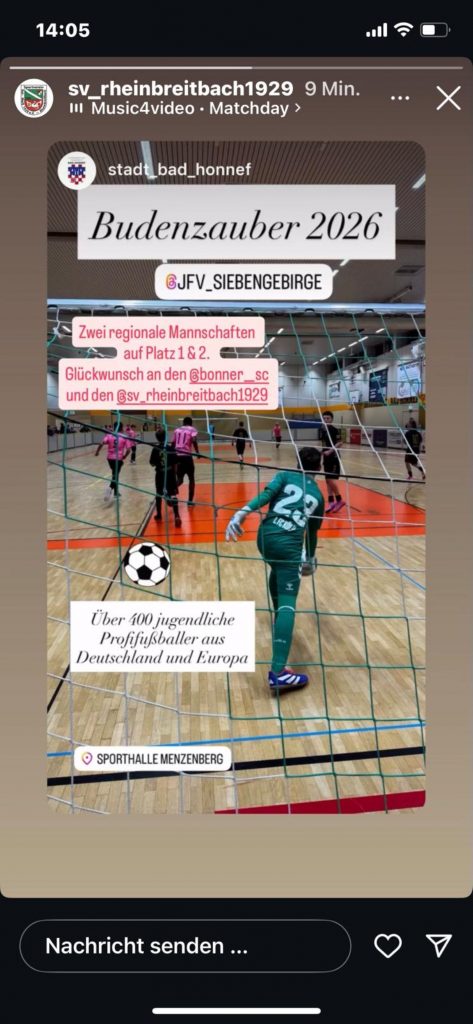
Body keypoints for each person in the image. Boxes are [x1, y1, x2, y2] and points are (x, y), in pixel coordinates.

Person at [226, 447, 324, 693]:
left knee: (277, 569)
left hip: (265, 538)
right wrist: (310, 557)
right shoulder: (318, 496)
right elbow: (312, 533)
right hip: (288, 547)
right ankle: (279, 672)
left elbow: (266, 495)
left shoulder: (284, 475)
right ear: (319, 468)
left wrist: (241, 513)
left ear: (297, 461)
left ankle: (278, 618)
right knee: (289, 603)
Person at [150, 427, 181, 527]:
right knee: (173, 494)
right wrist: (175, 474)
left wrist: (158, 462)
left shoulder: (155, 449)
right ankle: (177, 515)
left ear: (157, 438)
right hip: (170, 473)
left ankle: (159, 514)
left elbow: (152, 463)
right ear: (166, 437)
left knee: (158, 494)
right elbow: (175, 463)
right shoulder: (171, 448)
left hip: (160, 474)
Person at [95, 424, 131, 503]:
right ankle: (110, 488)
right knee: (116, 475)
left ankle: (116, 492)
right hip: (118, 458)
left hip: (110, 458)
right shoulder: (124, 437)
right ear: (121, 428)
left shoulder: (109, 435)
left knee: (115, 474)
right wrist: (125, 456)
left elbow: (101, 443)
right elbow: (129, 450)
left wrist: (97, 452)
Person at [320, 411, 345, 513]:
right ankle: (331, 502)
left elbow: (340, 443)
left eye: (328, 418)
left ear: (332, 419)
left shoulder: (334, 430)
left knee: (331, 479)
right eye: (324, 418)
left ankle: (339, 500)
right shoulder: (323, 430)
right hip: (326, 458)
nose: (326, 420)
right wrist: (321, 453)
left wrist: (330, 451)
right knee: (327, 480)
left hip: (334, 458)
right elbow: (324, 444)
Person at [173, 416, 200, 505]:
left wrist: (172, 455)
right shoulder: (192, 429)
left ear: (183, 423)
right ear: (191, 423)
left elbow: (173, 443)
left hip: (177, 457)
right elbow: (194, 440)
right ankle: (190, 501)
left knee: (180, 479)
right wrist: (197, 452)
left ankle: (171, 492)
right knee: (191, 479)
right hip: (187, 457)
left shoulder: (177, 430)